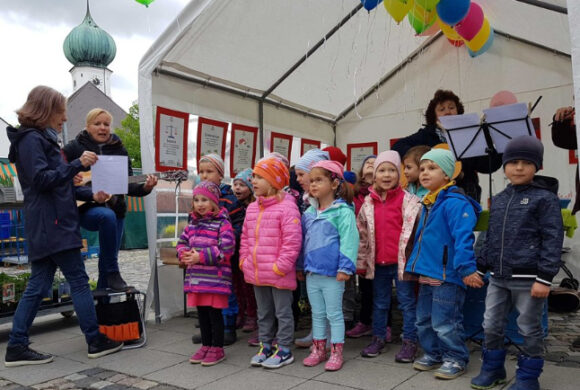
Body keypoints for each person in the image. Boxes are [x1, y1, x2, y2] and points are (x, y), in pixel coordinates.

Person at [4, 86, 123, 367]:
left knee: (38, 284)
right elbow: (41, 180)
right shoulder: (32, 139)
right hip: (54, 222)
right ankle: (95, 340)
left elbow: (57, 184)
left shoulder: (39, 139)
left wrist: (91, 194)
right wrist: (77, 165)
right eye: (61, 111)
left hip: (49, 221)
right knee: (79, 281)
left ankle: (17, 345)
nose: (65, 118)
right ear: (46, 110)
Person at [471, 136, 563, 390]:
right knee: (490, 324)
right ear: (505, 165)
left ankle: (528, 378)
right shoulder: (499, 199)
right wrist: (481, 266)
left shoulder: (544, 199)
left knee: (528, 327)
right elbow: (489, 237)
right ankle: (493, 369)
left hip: (529, 280)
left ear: (538, 166)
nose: (519, 167)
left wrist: (545, 278)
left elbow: (553, 239)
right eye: (513, 162)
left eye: (526, 162)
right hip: (498, 278)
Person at [406, 148, 484, 380]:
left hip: (446, 275)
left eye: (432, 168)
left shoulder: (455, 203)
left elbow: (463, 238)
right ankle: (434, 353)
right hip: (427, 273)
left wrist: (467, 268)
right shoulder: (428, 202)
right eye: (422, 169)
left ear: (448, 174)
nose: (424, 173)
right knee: (424, 320)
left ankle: (456, 358)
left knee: (446, 322)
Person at [63, 108, 158, 291]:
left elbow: (127, 184)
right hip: (84, 207)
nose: (102, 128)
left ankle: (103, 301)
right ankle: (113, 274)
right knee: (106, 217)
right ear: (87, 126)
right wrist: (71, 176)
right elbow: (57, 167)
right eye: (97, 124)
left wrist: (146, 187)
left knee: (109, 257)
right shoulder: (75, 147)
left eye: (106, 124)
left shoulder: (119, 149)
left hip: (116, 208)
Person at [356, 151, 422, 361]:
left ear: (399, 174)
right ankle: (378, 338)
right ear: (373, 176)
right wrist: (361, 262)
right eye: (381, 170)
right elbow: (362, 235)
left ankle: (410, 341)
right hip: (379, 263)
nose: (386, 175)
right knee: (380, 302)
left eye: (392, 170)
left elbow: (417, 233)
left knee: (406, 302)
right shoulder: (368, 204)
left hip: (402, 263)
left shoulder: (409, 201)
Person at [240, 157, 302, 369]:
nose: (253, 180)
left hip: (278, 273)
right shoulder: (252, 208)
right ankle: (265, 345)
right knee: (263, 312)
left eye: (259, 177)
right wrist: (244, 261)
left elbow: (292, 242)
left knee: (283, 312)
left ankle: (284, 349)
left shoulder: (287, 207)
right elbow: (245, 238)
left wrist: (280, 267)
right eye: (254, 176)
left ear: (274, 181)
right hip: (257, 271)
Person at [392, 89, 502, 203]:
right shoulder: (426, 134)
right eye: (441, 109)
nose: (447, 112)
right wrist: (427, 157)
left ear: (458, 111)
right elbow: (397, 146)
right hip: (434, 193)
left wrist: (498, 146)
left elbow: (488, 166)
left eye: (451, 107)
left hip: (465, 192)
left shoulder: (469, 134)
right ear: (434, 115)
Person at [300, 160, 359, 371]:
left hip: (334, 274)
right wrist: (301, 267)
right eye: (311, 180)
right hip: (312, 272)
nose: (313, 184)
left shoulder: (343, 212)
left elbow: (350, 240)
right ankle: (318, 349)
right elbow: (302, 242)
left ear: (334, 184)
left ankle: (336, 352)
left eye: (319, 180)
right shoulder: (308, 213)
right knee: (317, 313)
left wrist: (345, 267)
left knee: (334, 314)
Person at [177, 181, 235, 366]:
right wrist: (183, 254)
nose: (200, 204)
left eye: (204, 200)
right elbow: (182, 243)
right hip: (197, 279)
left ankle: (217, 348)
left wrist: (200, 257)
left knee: (214, 314)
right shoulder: (191, 225)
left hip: (215, 279)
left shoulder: (222, 224)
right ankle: (206, 344)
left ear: (214, 202)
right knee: (201, 314)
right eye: (196, 200)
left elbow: (226, 248)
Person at [195, 154, 244, 345]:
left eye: (210, 171)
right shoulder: (199, 197)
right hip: (203, 260)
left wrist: (224, 241)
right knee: (206, 292)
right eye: (201, 172)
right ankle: (210, 330)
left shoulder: (230, 200)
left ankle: (227, 327)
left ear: (220, 175)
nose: (205, 176)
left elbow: (238, 228)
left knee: (225, 293)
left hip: (223, 258)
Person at [347, 154, 377, 339]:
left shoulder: (381, 193)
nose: (371, 165)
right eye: (368, 163)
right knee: (365, 287)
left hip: (379, 246)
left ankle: (383, 324)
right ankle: (365, 322)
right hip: (361, 247)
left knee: (380, 289)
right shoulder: (355, 194)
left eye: (376, 163)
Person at [231, 168, 258, 334]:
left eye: (242, 184)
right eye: (235, 184)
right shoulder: (234, 207)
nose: (237, 188)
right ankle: (240, 313)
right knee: (237, 285)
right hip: (235, 253)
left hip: (248, 253)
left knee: (249, 287)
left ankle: (252, 315)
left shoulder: (254, 207)